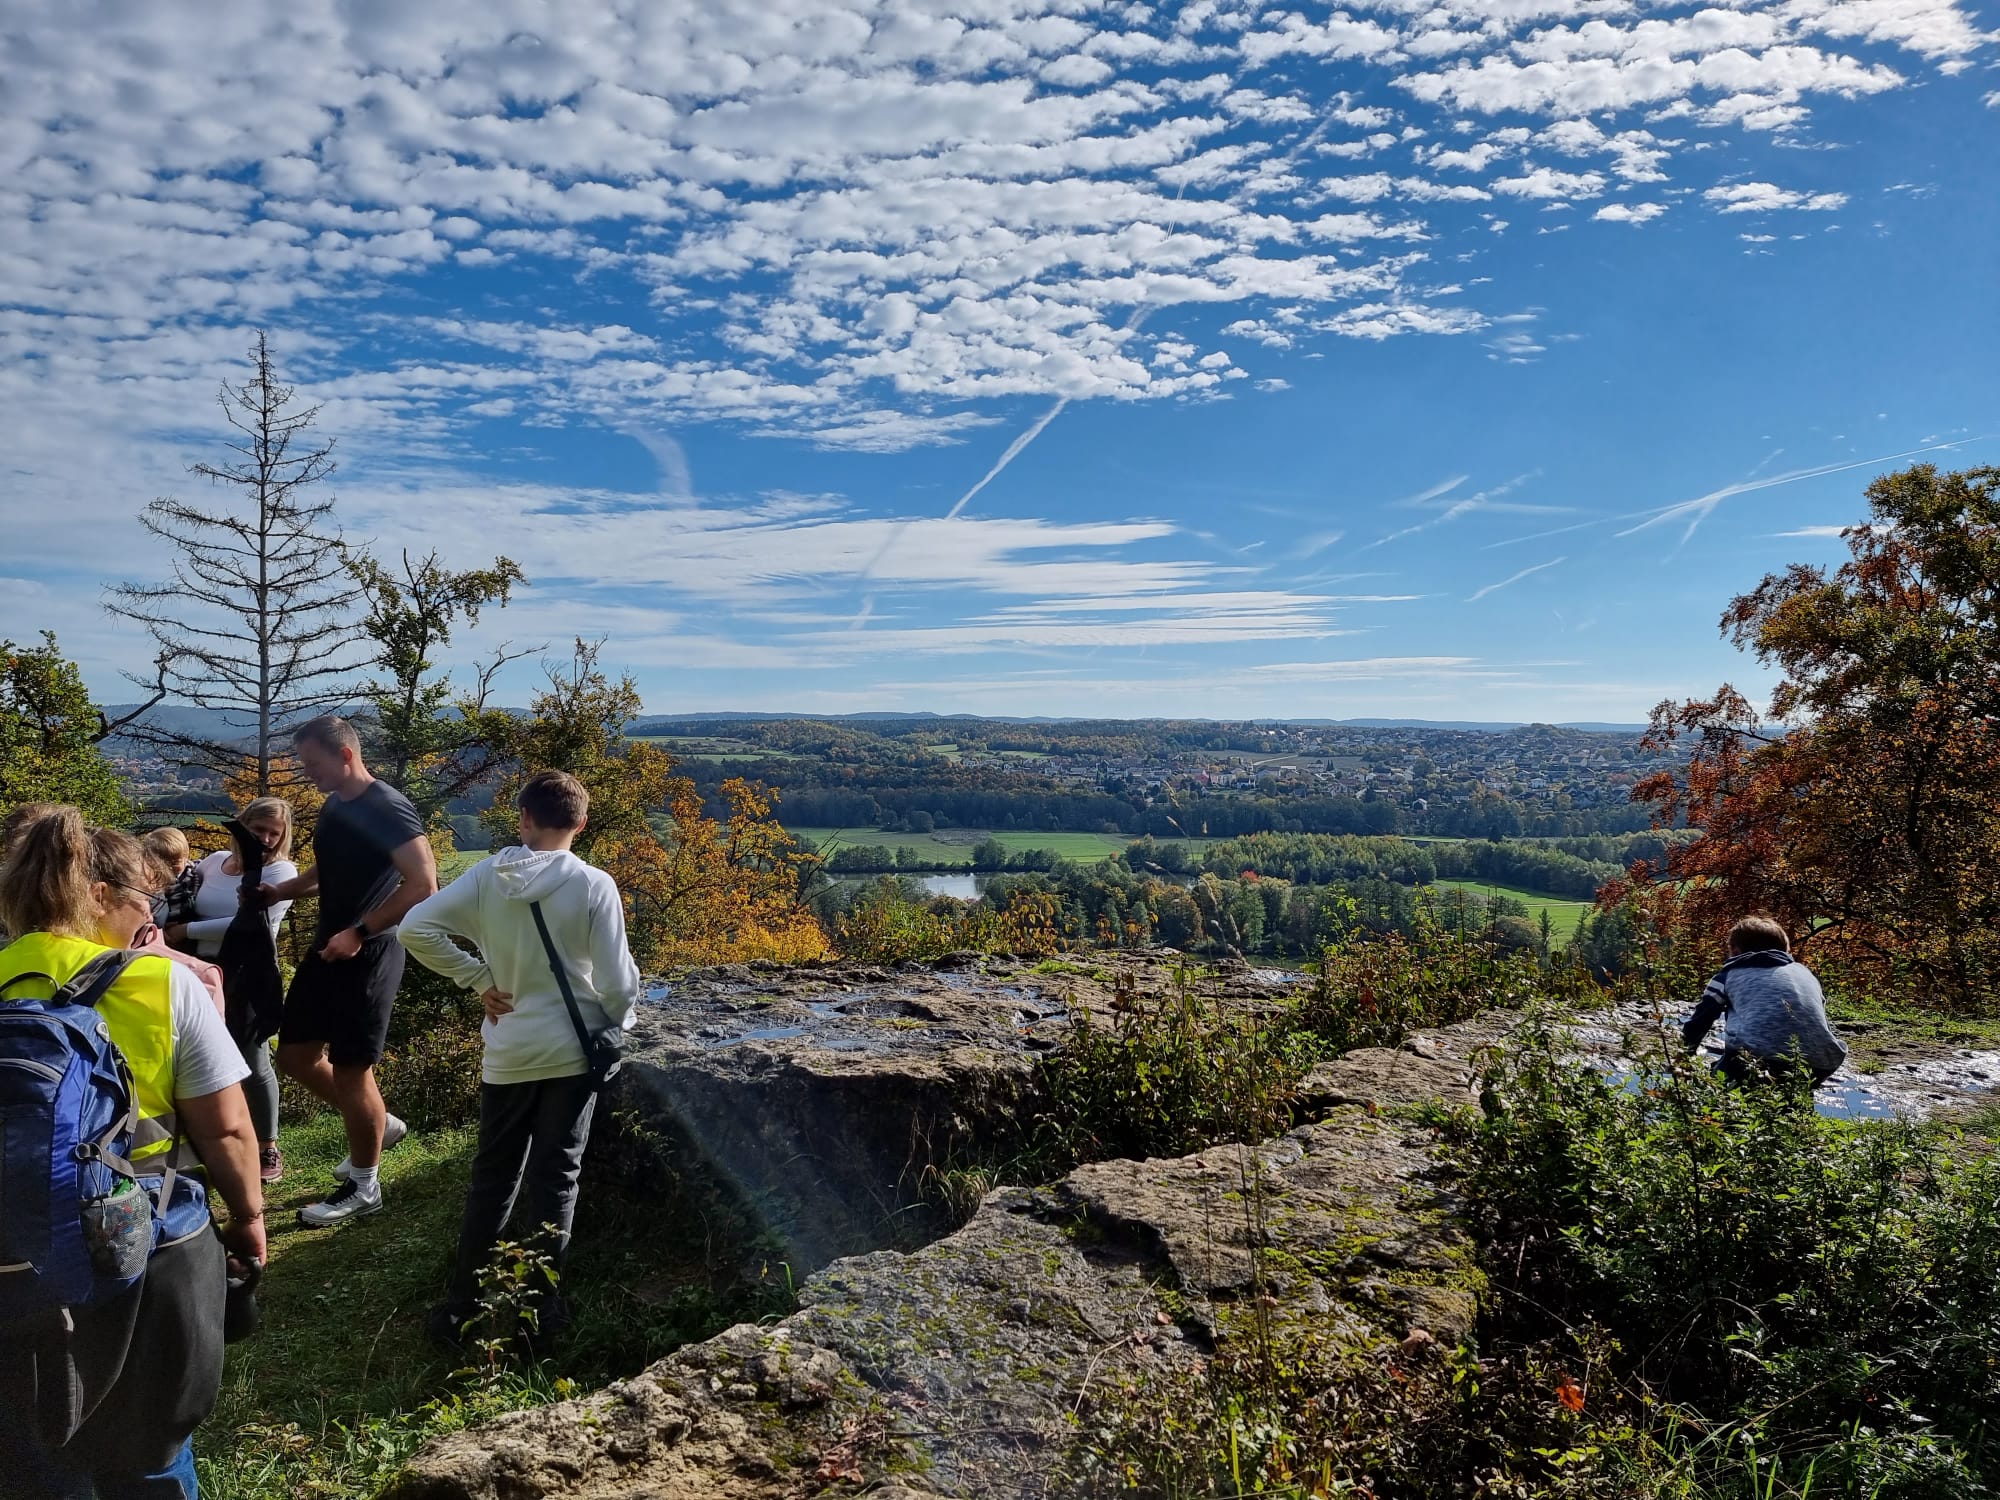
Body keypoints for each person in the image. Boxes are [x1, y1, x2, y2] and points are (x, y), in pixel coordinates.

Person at [0, 807, 265, 1500]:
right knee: (151, 1450)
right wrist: (249, 1220)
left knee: (34, 1458)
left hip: (14, 1253)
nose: (144, 917)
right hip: (150, 1248)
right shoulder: (160, 982)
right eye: (139, 902)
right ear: (99, 898)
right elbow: (229, 1129)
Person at [399, 770, 639, 1345]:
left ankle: (462, 1306)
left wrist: (479, 978)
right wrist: (618, 1022)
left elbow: (415, 927)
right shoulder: (591, 884)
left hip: (508, 1049)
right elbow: (617, 983)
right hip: (571, 1052)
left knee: (493, 1177)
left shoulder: (488, 875)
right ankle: (538, 1310)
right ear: (581, 823)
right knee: (557, 1175)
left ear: (524, 818)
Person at [256, 716, 437, 1226]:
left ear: (345, 756)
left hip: (370, 953)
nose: (307, 772)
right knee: (294, 1055)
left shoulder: (388, 808)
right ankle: (380, 1125)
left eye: (312, 763)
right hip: (328, 948)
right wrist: (279, 891)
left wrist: (359, 931)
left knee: (353, 1070)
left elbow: (424, 884)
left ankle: (364, 1187)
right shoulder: (336, 805)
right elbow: (324, 871)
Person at [163, 798, 297, 1185]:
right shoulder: (213, 861)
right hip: (197, 971)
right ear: (244, 826)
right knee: (196, 1059)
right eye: (259, 830)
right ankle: (210, 1144)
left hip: (248, 973)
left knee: (253, 1058)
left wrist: (185, 931)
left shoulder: (280, 871)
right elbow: (183, 895)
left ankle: (267, 1145)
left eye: (276, 832)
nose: (267, 839)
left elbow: (251, 920)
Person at [1682, 914, 1848, 1085]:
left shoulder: (1728, 975)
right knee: (1792, 1094)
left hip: (1756, 1059)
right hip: (1820, 1063)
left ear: (1736, 952)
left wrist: (1684, 1056)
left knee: (1711, 1087)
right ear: (1785, 950)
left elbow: (1700, 1020)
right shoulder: (1805, 973)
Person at [140, 826, 201, 932]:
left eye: (174, 862)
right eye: (161, 863)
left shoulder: (194, 874)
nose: (168, 867)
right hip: (161, 930)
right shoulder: (150, 881)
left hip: (188, 926)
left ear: (186, 857)